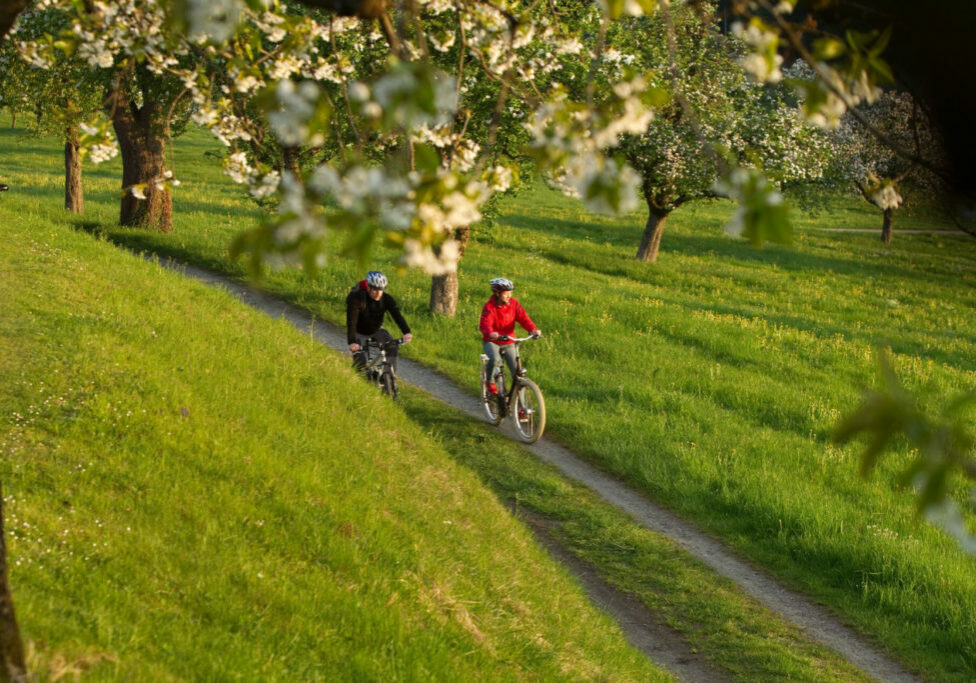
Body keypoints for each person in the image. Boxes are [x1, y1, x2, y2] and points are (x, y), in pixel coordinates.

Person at [479, 277, 542, 394]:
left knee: (517, 374)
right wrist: (490, 333)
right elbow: (485, 324)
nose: (509, 296)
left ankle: (519, 405)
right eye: (506, 293)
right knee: (494, 359)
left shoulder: (513, 304)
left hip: (508, 341)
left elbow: (523, 318)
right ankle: (489, 381)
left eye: (510, 293)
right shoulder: (489, 307)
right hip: (492, 341)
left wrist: (533, 329)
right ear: (497, 294)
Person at [346, 270, 412, 373]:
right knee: (361, 365)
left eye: (381, 290)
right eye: (375, 290)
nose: (378, 293)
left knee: (392, 347)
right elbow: (351, 321)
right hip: (359, 332)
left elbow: (397, 316)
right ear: (368, 288)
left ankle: (389, 377)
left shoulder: (387, 299)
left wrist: (406, 332)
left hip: (376, 330)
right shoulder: (357, 299)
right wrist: (352, 342)